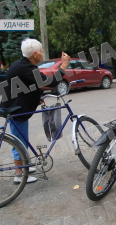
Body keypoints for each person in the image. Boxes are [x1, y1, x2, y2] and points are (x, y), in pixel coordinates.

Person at [0, 38, 70, 184]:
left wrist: (37, 97)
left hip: (15, 105)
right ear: (34, 54)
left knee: (22, 138)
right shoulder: (26, 68)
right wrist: (63, 66)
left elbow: (27, 86)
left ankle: (24, 166)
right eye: (41, 51)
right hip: (16, 109)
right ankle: (19, 174)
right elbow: (50, 82)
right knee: (19, 140)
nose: (42, 53)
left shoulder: (21, 65)